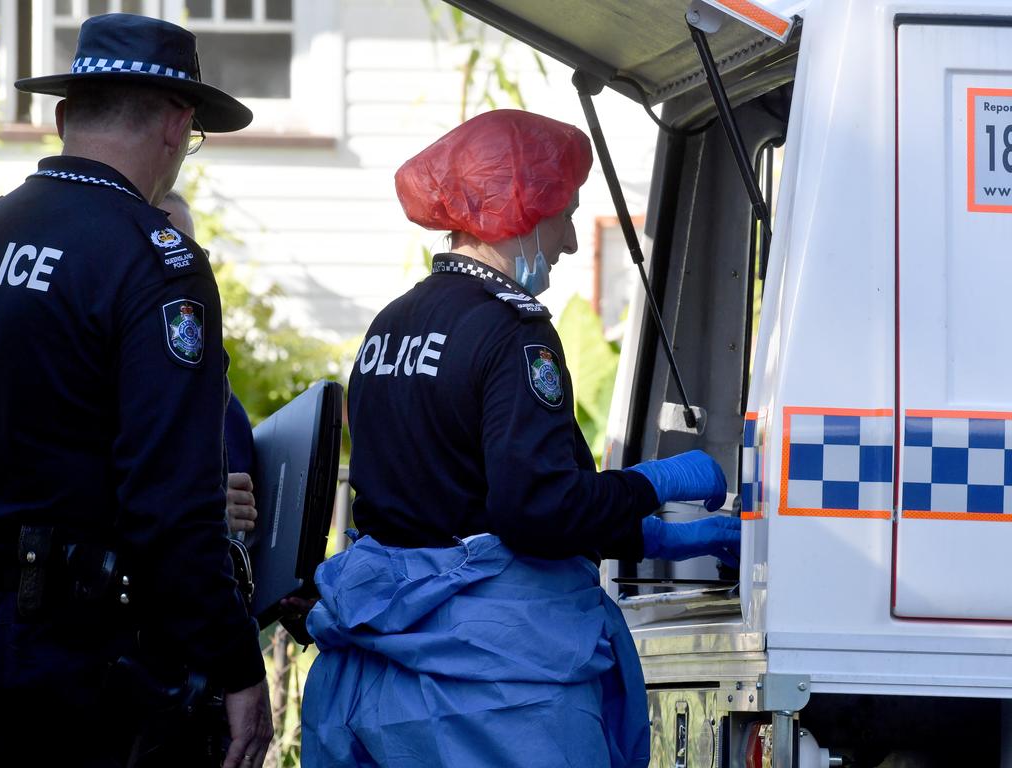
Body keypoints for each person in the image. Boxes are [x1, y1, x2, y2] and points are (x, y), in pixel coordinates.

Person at [300, 109, 741, 767]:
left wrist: (661, 538)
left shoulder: (390, 327)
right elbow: (534, 509)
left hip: (375, 670)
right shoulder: (513, 333)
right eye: (562, 213)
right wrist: (658, 483)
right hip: (488, 687)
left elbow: (440, 503)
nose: (566, 240)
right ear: (518, 207)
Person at [0, 13, 271, 767]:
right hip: (69, 664)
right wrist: (236, 663)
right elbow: (171, 505)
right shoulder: (155, 261)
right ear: (178, 127)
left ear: (61, 117)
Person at [161, 190, 257, 536]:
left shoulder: (218, 392)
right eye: (167, 248)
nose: (184, 265)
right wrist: (204, 510)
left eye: (193, 253)